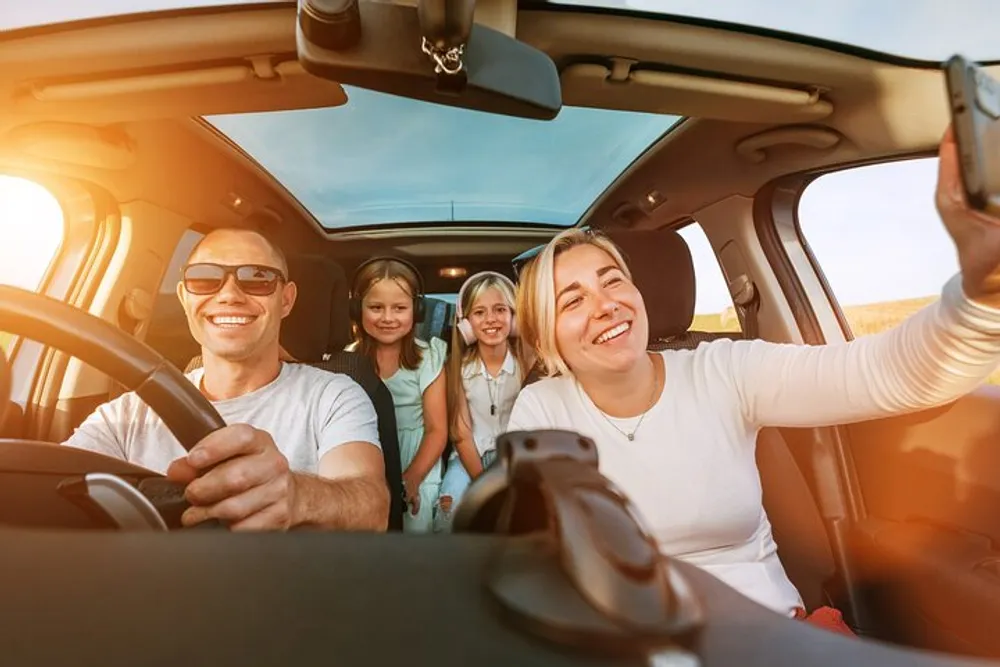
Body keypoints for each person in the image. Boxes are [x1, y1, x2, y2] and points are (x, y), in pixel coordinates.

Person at [505, 126, 1000, 632]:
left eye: (612, 281)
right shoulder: (542, 410)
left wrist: (983, 295)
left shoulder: (722, 369)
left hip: (777, 636)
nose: (605, 304)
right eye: (572, 300)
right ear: (547, 343)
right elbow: (536, 562)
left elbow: (884, 374)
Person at [65, 227, 389, 532]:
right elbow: (53, 492)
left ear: (286, 300)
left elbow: (371, 506)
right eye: (205, 278)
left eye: (257, 278)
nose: (229, 294)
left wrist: (298, 496)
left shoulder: (333, 394)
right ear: (184, 297)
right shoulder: (127, 413)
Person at [348, 257, 448, 533]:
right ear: (357, 309)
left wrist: (412, 479)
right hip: (363, 460)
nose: (388, 318)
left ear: (416, 311)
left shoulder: (429, 358)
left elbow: (437, 430)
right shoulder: (344, 361)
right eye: (376, 307)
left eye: (400, 308)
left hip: (417, 461)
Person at [434, 271, 531, 532]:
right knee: (448, 511)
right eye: (479, 313)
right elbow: (462, 434)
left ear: (514, 317)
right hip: (468, 459)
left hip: (515, 458)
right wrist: (483, 483)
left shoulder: (526, 364)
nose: (491, 319)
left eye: (500, 309)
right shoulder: (458, 369)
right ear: (466, 324)